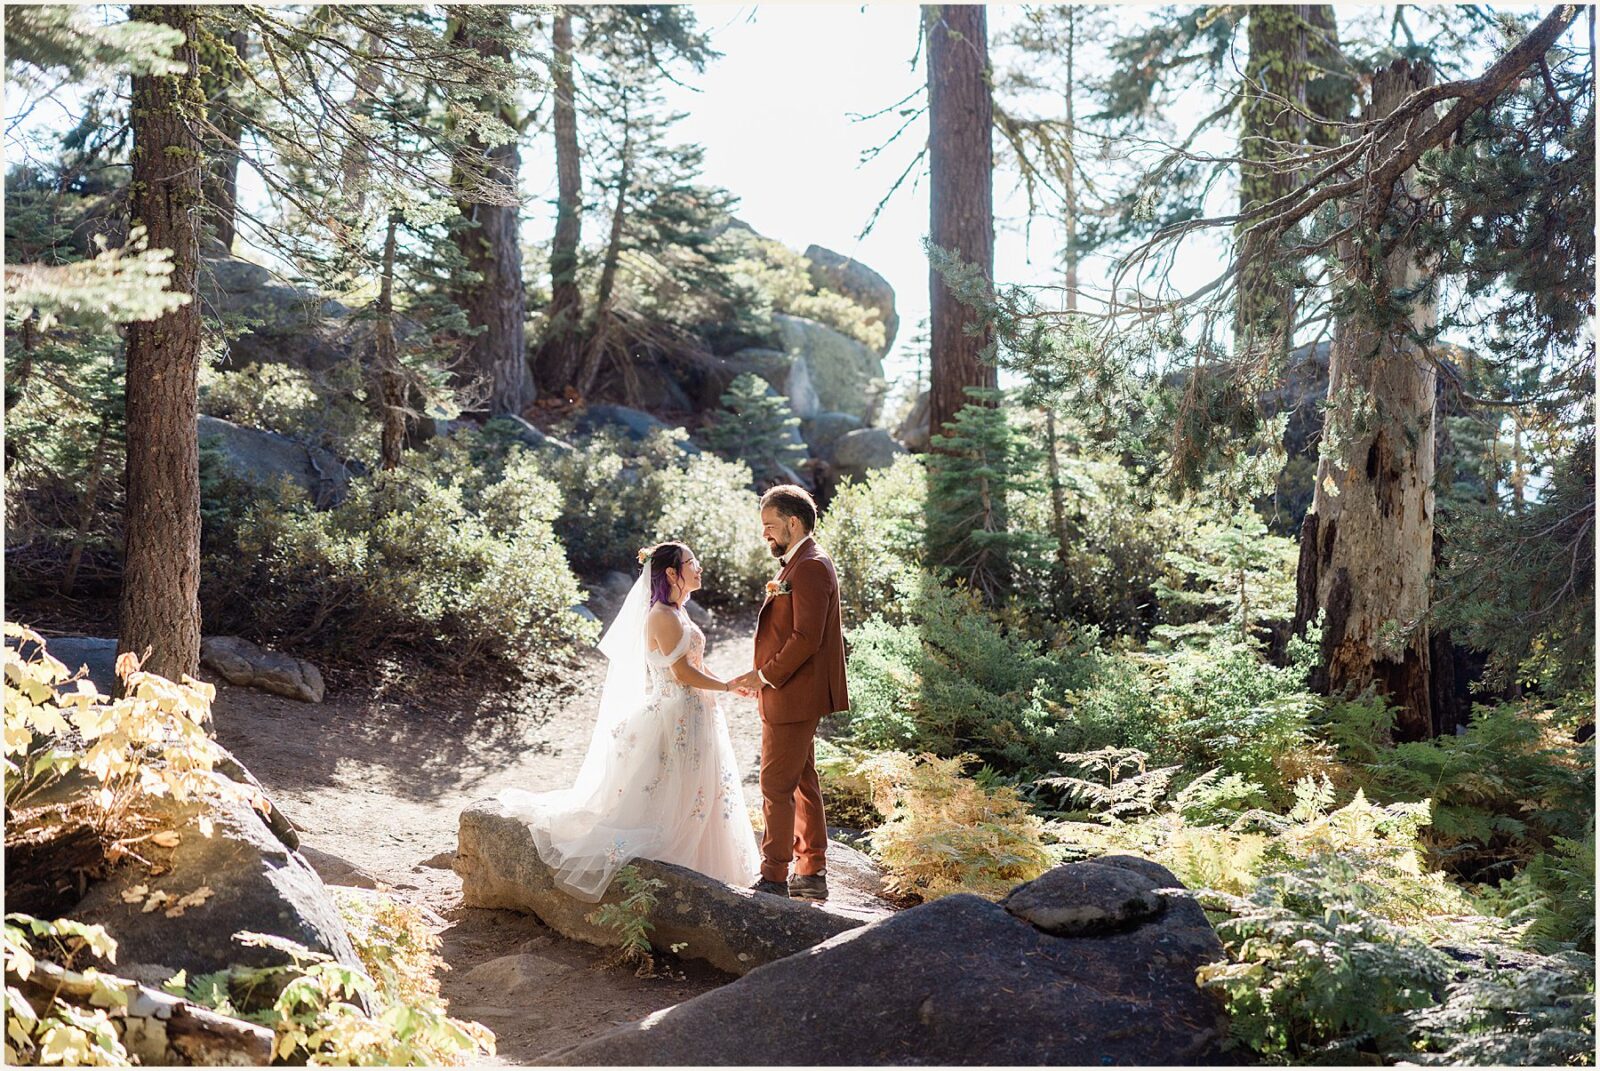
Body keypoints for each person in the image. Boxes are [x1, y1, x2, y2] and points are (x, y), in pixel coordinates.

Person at [497, 542, 760, 902]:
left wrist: (729, 684)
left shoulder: (679, 611)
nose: (699, 567)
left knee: (699, 790)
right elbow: (682, 673)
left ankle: (705, 865)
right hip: (676, 713)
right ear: (671, 572)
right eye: (692, 562)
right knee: (675, 788)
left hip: (697, 712)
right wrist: (728, 686)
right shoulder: (662, 616)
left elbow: (695, 663)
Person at [727, 485, 849, 901]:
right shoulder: (796, 564)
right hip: (790, 691)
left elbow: (805, 639)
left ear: (793, 523)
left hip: (794, 694)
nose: (765, 534)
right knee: (800, 781)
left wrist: (764, 676)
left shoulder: (811, 566)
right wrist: (761, 677)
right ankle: (811, 873)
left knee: (775, 786)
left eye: (770, 525)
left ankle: (775, 878)